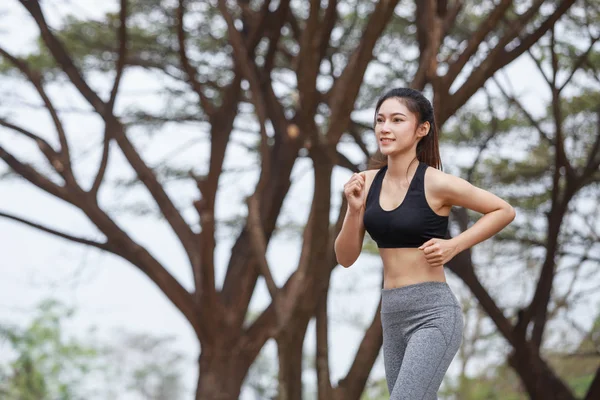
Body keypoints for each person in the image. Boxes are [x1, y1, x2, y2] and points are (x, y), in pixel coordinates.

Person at [334, 87, 515, 399]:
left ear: (422, 129)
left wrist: (453, 245)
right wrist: (353, 210)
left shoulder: (436, 182)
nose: (384, 128)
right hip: (391, 314)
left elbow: (503, 210)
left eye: (396, 120)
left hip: (433, 313)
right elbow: (345, 257)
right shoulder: (364, 183)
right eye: (380, 120)